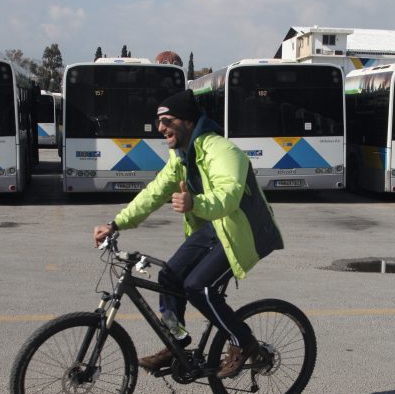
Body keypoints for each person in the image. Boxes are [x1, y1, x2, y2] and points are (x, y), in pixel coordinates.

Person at [92, 89, 283, 378]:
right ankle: (176, 343)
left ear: (188, 121)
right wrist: (116, 223)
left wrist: (196, 203)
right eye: (159, 122)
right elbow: (154, 192)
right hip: (213, 226)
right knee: (169, 276)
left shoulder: (222, 151)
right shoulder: (181, 157)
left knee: (198, 287)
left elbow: (229, 195)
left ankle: (243, 343)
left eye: (167, 120)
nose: (160, 128)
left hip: (244, 231)